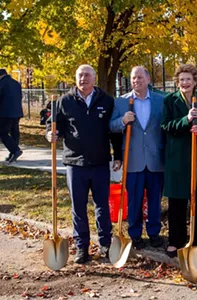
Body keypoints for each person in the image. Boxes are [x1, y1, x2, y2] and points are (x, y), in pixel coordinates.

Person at [46, 64, 122, 264]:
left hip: (99, 162)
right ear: (75, 78)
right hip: (74, 163)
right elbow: (54, 125)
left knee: (102, 206)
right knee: (78, 206)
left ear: (94, 78)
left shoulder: (106, 101)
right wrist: (51, 134)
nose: (83, 79)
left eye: (87, 75)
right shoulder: (64, 101)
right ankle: (82, 247)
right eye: (80, 75)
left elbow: (114, 131)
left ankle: (105, 244)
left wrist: (118, 155)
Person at [161, 64, 197, 258]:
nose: (185, 83)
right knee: (177, 200)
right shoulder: (170, 100)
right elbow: (166, 125)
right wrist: (186, 120)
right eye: (181, 80)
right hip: (178, 157)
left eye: (188, 79)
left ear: (195, 82)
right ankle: (175, 241)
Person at [110, 66, 165, 249]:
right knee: (134, 199)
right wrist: (123, 121)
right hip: (133, 160)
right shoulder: (121, 102)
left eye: (140, 77)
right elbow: (111, 127)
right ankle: (135, 234)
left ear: (148, 79)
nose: (136, 81)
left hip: (155, 159)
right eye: (133, 78)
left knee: (155, 199)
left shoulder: (160, 101)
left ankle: (154, 232)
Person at [0, 68, 23, 163]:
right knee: (14, 132)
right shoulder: (16, 83)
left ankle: (15, 150)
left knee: (3, 133)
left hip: (5, 113)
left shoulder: (1, 84)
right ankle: (13, 153)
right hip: (17, 112)